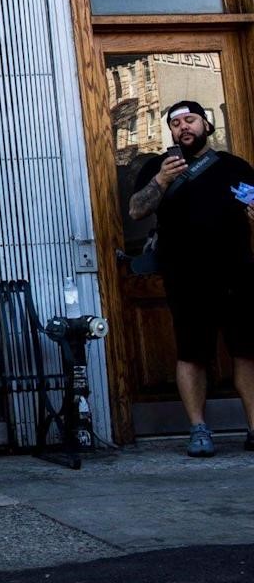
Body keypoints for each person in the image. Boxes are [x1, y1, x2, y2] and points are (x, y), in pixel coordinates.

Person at [127, 99, 254, 457]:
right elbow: (136, 210)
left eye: (191, 120)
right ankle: (199, 429)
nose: (184, 127)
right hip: (185, 277)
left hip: (237, 274)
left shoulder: (233, 167)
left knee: (246, 352)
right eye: (176, 122)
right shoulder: (157, 167)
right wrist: (162, 180)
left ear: (206, 126)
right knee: (192, 353)